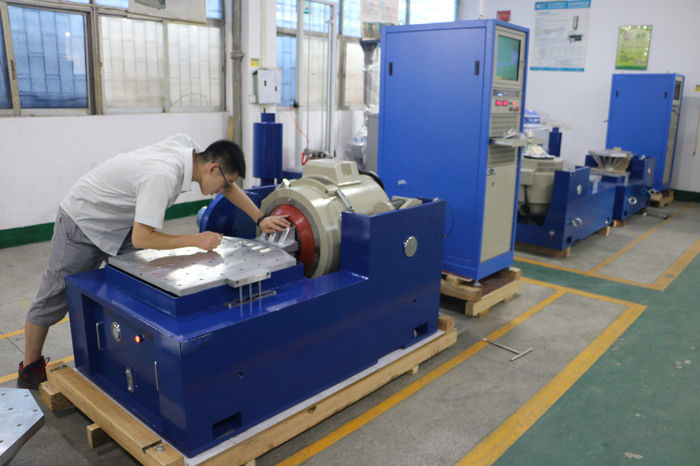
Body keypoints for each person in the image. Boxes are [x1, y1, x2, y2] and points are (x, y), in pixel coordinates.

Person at [18, 134, 290, 389]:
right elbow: (142, 238)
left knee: (139, 282)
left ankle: (131, 355)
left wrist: (259, 218)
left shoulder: (188, 149)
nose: (221, 190)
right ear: (213, 168)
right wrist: (196, 240)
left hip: (119, 224)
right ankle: (30, 369)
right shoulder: (163, 175)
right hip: (84, 221)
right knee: (54, 298)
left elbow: (229, 189)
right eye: (224, 182)